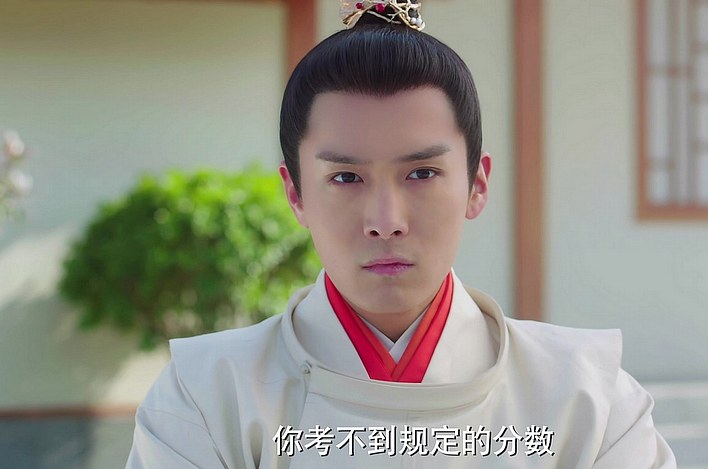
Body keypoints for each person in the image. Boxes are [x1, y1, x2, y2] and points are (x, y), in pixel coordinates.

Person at [126, 1, 676, 467]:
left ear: (477, 185)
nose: (385, 219)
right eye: (346, 177)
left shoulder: (587, 398)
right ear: (295, 194)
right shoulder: (206, 395)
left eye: (421, 173)